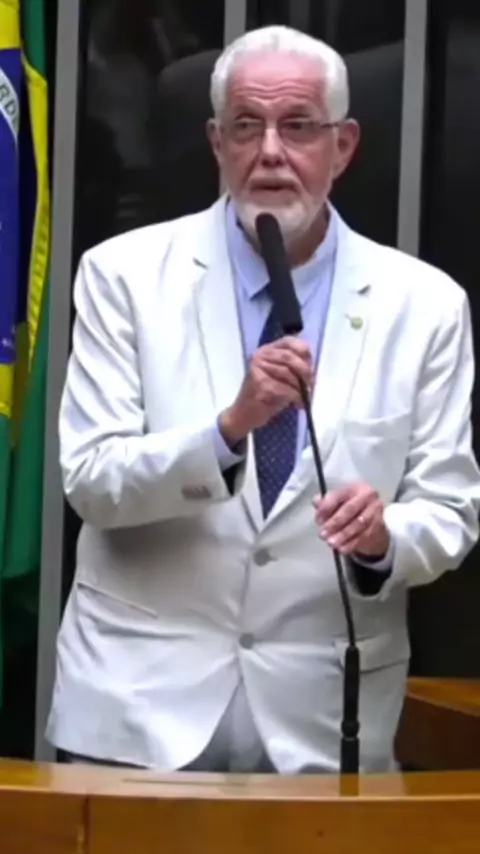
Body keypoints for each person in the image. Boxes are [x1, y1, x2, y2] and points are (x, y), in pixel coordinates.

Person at [46, 25, 480, 774]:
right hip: (138, 712)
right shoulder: (124, 276)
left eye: (299, 126)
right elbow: (91, 479)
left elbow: (449, 509)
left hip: (324, 721)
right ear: (217, 144)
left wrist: (382, 538)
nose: (271, 151)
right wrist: (226, 430)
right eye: (247, 126)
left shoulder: (426, 305)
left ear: (343, 146)